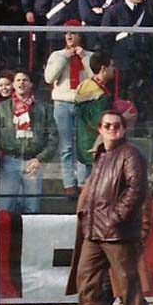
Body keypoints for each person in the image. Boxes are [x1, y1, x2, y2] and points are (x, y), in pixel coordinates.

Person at [69, 110, 148, 305]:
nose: (112, 129)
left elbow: (136, 189)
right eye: (108, 125)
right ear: (100, 129)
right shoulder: (101, 155)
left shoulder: (130, 154)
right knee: (85, 279)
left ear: (123, 129)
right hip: (94, 231)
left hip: (117, 232)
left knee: (128, 284)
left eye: (117, 125)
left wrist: (115, 217)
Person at [0, 71, 57, 214]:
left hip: (33, 162)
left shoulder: (44, 108)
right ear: (13, 85)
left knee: (32, 208)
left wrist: (40, 158)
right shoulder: (2, 108)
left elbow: (53, 137)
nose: (21, 83)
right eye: (18, 80)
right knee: (5, 207)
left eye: (25, 80)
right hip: (10, 161)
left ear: (31, 84)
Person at [44, 23, 93, 198]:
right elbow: (49, 77)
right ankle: (68, 183)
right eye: (66, 33)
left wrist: (84, 57)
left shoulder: (89, 55)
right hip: (62, 103)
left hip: (83, 103)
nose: (69, 36)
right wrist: (64, 57)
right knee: (66, 145)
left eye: (73, 33)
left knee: (83, 144)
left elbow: (95, 77)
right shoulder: (57, 55)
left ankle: (82, 182)